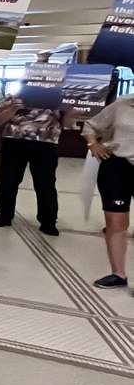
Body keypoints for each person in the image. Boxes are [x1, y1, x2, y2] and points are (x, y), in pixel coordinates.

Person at [0, 96, 64, 235]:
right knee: (8, 180)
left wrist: (73, 111)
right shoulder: (14, 96)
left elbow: (68, 122)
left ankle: (48, 221)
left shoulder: (59, 97)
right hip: (13, 141)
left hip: (46, 143)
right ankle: (4, 214)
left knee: (45, 183)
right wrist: (13, 108)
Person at [83, 94, 134, 290]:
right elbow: (91, 126)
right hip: (117, 167)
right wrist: (92, 144)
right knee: (116, 223)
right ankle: (118, 274)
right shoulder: (122, 104)